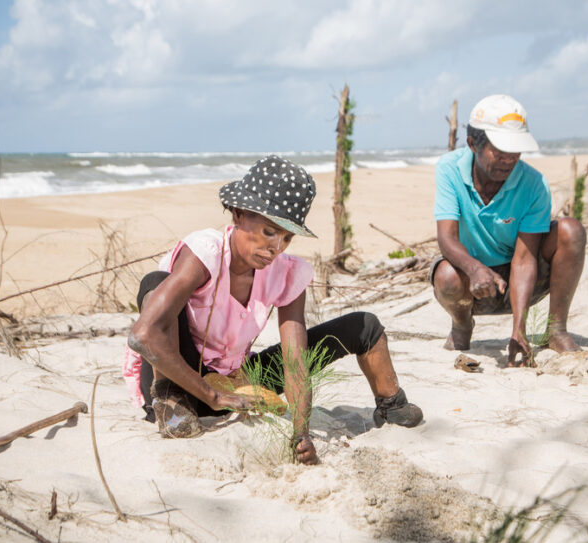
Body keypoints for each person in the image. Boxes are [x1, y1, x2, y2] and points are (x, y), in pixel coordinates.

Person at [124, 155, 422, 464]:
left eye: (286, 237)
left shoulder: (286, 273)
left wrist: (301, 432)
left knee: (364, 324)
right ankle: (168, 402)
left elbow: (295, 362)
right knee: (156, 282)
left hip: (235, 385)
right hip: (181, 382)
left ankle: (392, 407)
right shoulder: (206, 252)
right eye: (269, 231)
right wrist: (213, 396)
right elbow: (143, 334)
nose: (276, 247)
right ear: (239, 214)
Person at [431, 94, 586, 367]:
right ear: (472, 144)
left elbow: (525, 259)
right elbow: (447, 237)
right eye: (500, 151)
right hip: (470, 281)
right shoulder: (449, 169)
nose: (509, 160)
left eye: (515, 152)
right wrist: (476, 268)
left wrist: (519, 330)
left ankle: (557, 331)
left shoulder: (534, 184)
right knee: (445, 275)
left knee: (571, 230)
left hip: (523, 278)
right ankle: (462, 324)